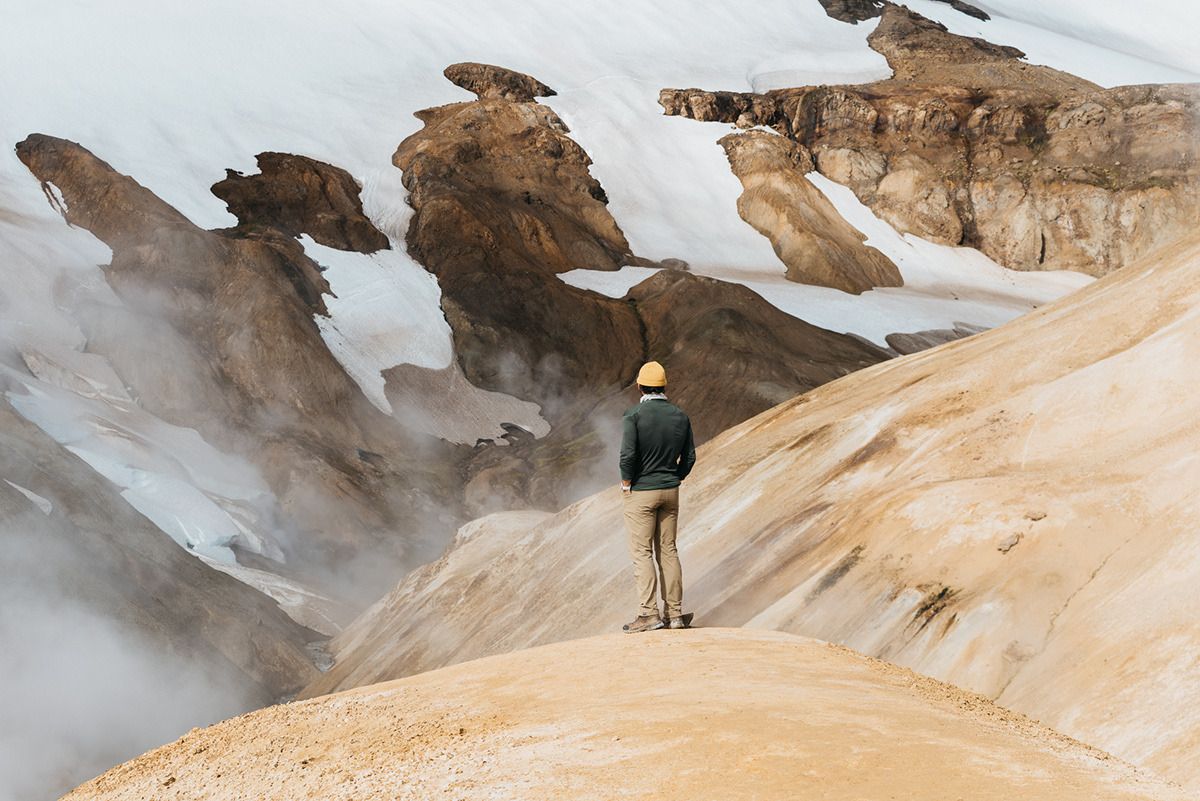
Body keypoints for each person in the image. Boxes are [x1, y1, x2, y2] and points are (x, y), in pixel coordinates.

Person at [619, 360, 696, 633]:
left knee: (642, 553)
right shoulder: (680, 416)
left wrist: (627, 481)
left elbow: (628, 455)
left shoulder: (634, 416)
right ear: (664, 387)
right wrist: (676, 476)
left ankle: (648, 614)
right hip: (670, 491)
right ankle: (674, 614)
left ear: (639, 386)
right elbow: (689, 457)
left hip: (642, 491)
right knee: (669, 551)